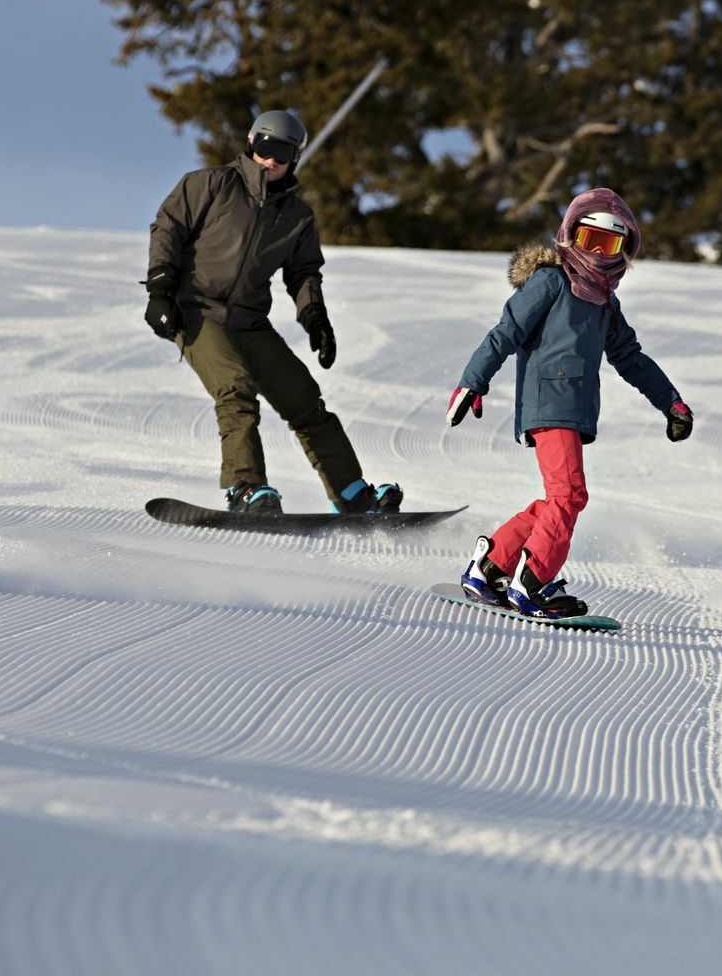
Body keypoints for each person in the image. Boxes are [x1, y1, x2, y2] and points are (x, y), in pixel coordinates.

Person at [445, 188, 692, 618]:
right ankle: (533, 581)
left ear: (623, 250)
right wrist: (473, 383)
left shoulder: (605, 304)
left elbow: (630, 358)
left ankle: (491, 565)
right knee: (570, 494)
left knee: (560, 499)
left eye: (608, 244)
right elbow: (505, 331)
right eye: (589, 239)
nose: (597, 253)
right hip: (547, 404)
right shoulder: (551, 282)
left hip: (574, 412)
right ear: (569, 236)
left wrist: (670, 402)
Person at [145, 109, 400, 514]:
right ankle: (245, 488)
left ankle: (352, 492)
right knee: (235, 388)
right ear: (251, 143)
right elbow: (168, 227)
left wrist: (315, 317)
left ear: (295, 157)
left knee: (305, 401)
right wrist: (160, 289)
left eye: (282, 152)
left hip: (249, 321)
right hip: (196, 311)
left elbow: (303, 273)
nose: (272, 159)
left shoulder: (296, 215)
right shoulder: (210, 185)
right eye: (266, 148)